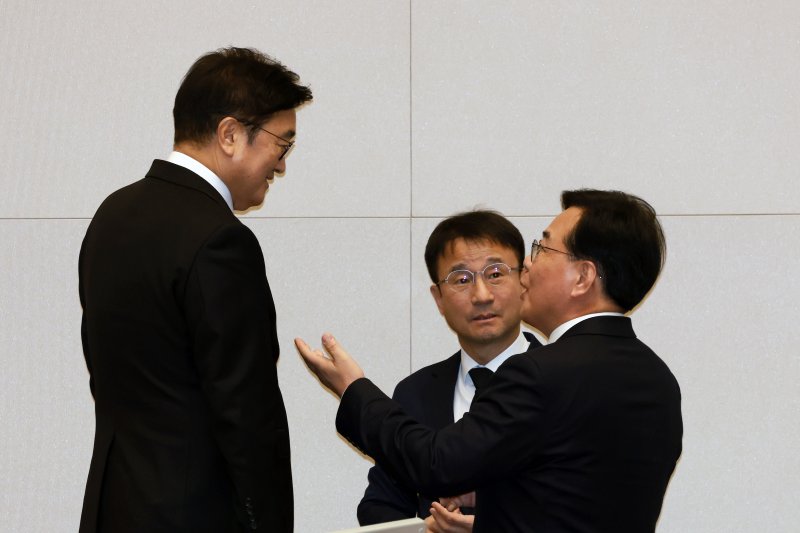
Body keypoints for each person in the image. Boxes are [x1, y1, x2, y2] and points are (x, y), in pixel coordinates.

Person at [297, 189, 682, 533]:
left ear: (582, 277)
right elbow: (575, 495)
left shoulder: (543, 372)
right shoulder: (657, 378)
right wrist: (496, 506)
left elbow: (436, 463)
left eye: (542, 249)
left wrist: (354, 389)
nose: (528, 266)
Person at [78, 47, 312, 533]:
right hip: (196, 515)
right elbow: (246, 414)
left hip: (114, 509)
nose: (281, 166)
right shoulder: (220, 240)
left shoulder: (112, 215)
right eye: (281, 145)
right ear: (230, 134)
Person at [357, 210, 542, 531]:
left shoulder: (565, 380)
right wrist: (427, 529)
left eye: (495, 274)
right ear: (439, 299)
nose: (482, 295)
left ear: (523, 281)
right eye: (462, 280)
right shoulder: (415, 393)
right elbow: (379, 506)